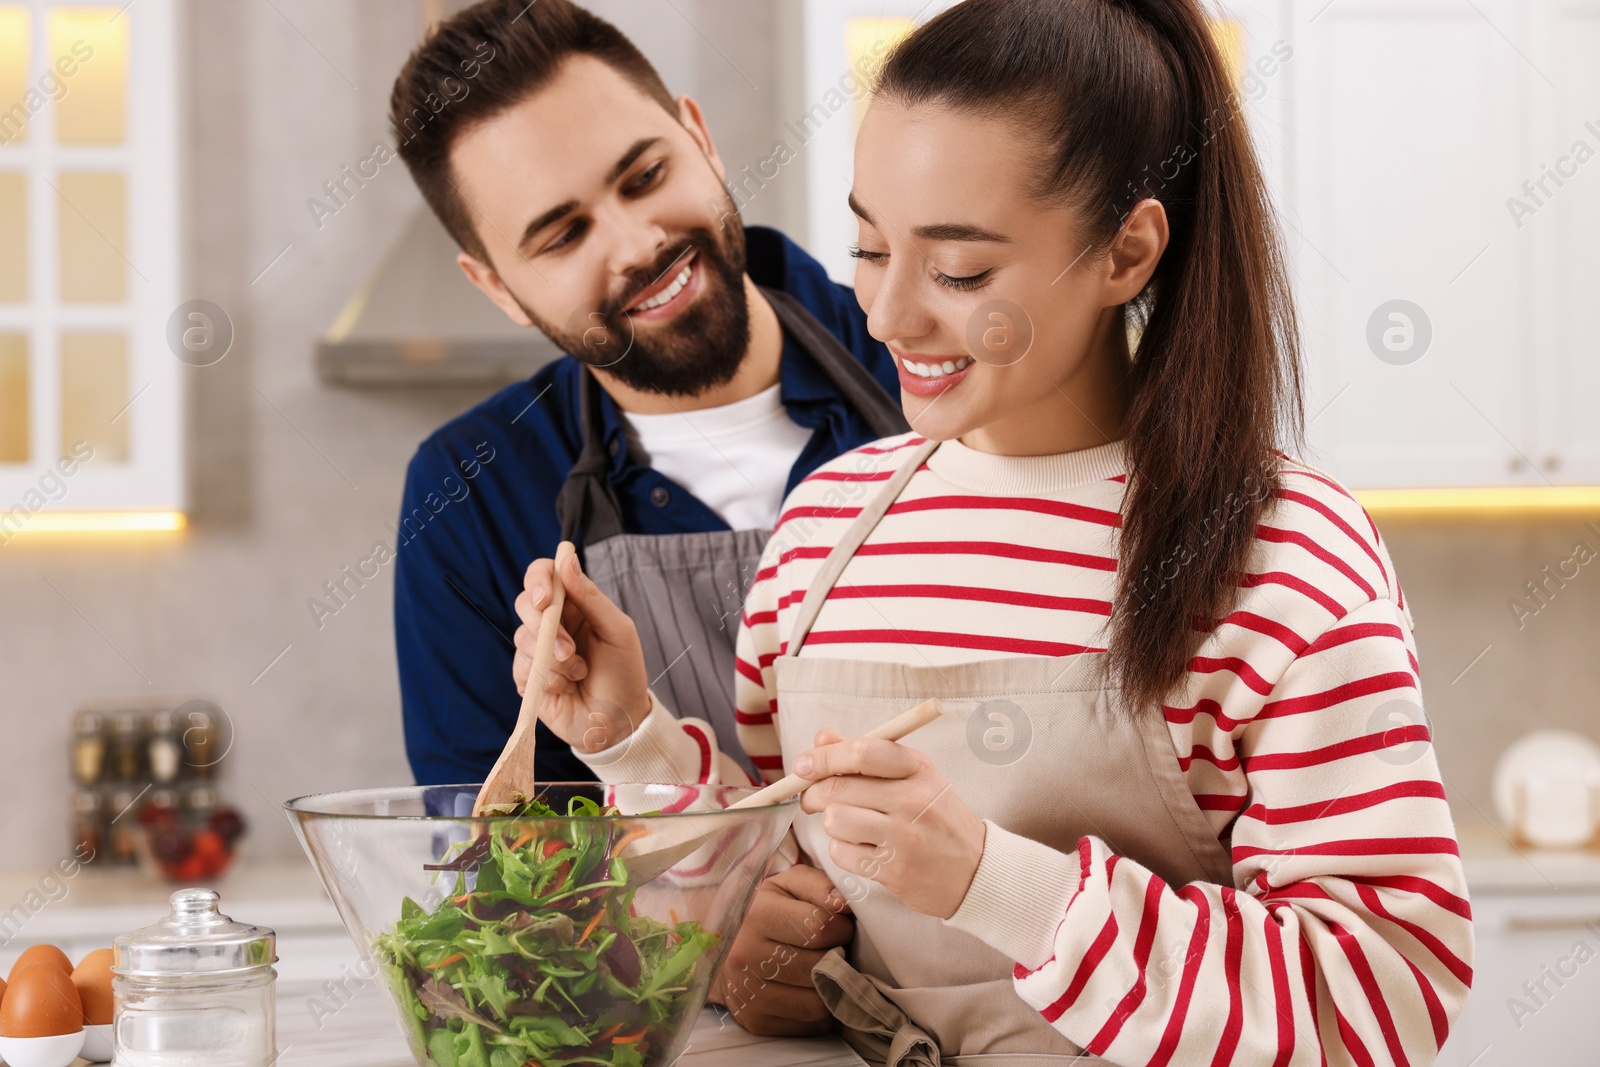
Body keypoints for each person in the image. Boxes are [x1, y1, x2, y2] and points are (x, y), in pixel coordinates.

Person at [513, 0, 1474, 1061]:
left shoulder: (1283, 552)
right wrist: (629, 737)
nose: (886, 317)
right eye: (870, 247)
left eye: (959, 272)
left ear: (1126, 251)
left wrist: (996, 883)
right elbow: (778, 868)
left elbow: (1384, 992)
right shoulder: (824, 528)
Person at [388, 0, 905, 792]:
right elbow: (495, 871)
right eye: (563, 236)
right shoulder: (469, 494)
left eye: (646, 177)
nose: (638, 245)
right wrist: (693, 910)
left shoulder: (926, 357)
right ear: (497, 287)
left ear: (699, 138)